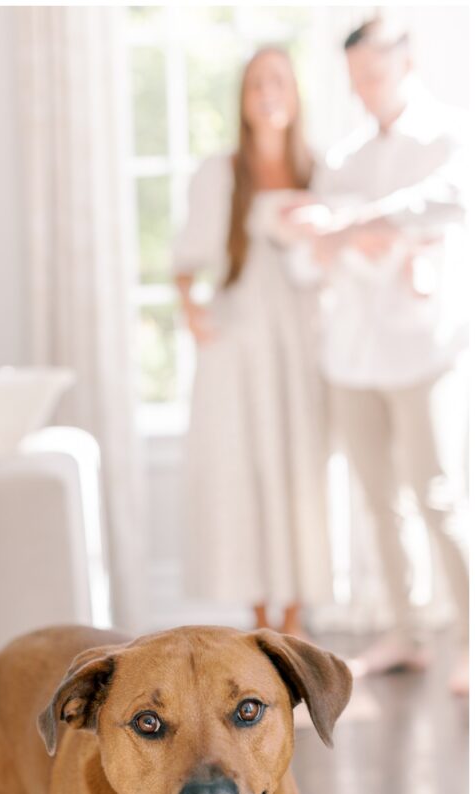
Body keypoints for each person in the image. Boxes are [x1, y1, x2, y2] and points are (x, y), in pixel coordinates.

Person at [284, 16, 469, 692]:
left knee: (439, 495)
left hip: (424, 352)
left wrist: (356, 225)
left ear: (405, 63)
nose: (365, 89)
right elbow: (314, 257)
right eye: (356, 78)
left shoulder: (446, 135)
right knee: (377, 499)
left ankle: (470, 638)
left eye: (375, 74)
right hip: (352, 359)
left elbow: (446, 203)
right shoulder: (347, 157)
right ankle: (407, 632)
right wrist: (362, 237)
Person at [173, 47, 332, 639]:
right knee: (244, 471)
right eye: (256, 84)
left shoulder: (319, 170)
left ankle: (295, 621)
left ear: (295, 94)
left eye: (278, 82)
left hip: (300, 346)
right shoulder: (220, 174)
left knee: (298, 472)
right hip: (238, 344)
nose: (268, 93)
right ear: (243, 99)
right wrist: (191, 308)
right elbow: (186, 260)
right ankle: (259, 621)